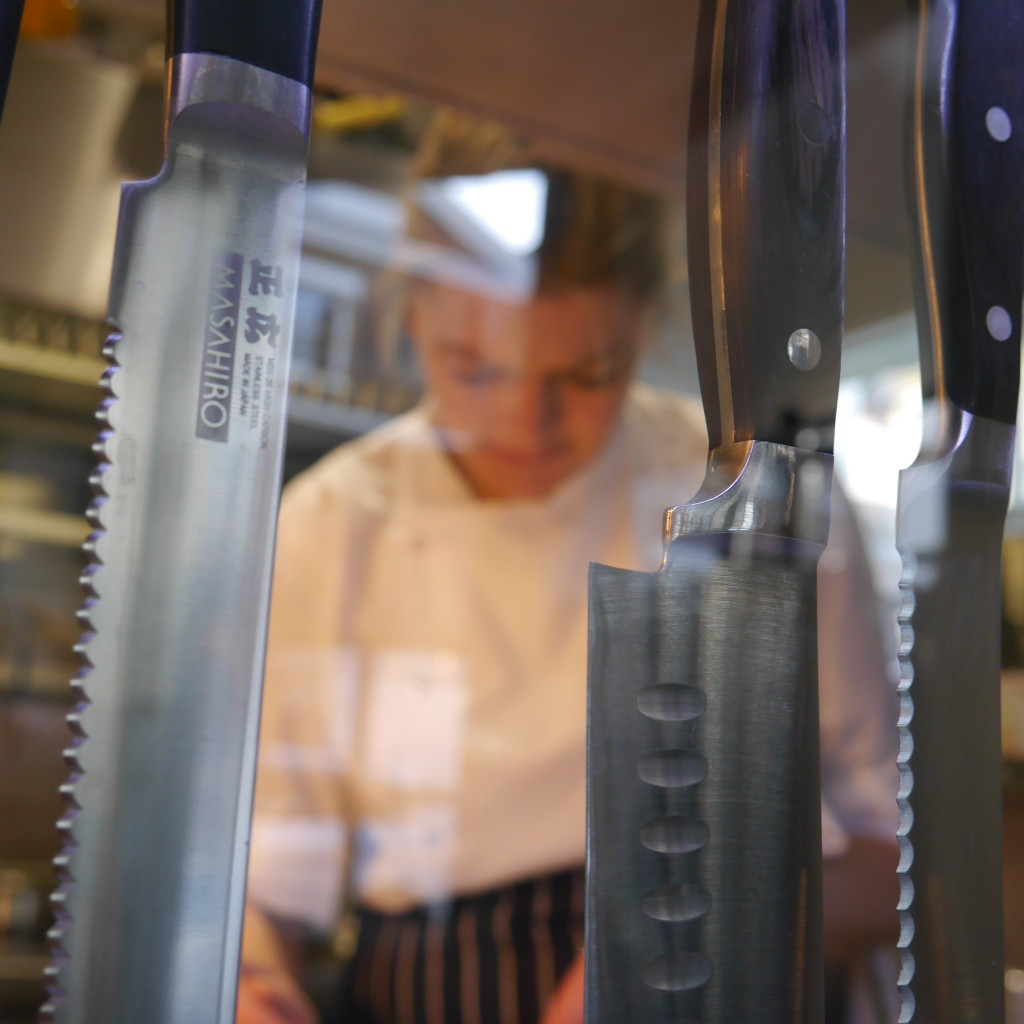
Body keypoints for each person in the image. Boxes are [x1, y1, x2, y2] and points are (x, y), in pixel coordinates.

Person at [236, 111, 899, 1024]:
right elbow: (268, 879)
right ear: (409, 311)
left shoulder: (754, 495)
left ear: (651, 325)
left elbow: (882, 851)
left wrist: (671, 951)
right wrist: (250, 986)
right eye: (472, 366)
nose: (525, 423)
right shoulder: (327, 526)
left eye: (588, 373)